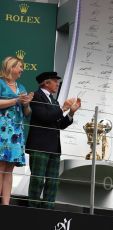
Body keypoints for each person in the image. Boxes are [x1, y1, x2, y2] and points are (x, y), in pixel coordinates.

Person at [26, 71, 81, 209]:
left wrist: (71, 112)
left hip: (54, 147)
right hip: (39, 146)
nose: (57, 83)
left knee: (53, 182)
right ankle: (33, 209)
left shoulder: (54, 101)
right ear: (46, 82)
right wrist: (63, 108)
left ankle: (48, 210)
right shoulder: (35, 96)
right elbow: (44, 116)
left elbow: (60, 124)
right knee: (37, 180)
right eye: (55, 81)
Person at [0, 56, 33, 205]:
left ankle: (6, 204)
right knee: (0, 166)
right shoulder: (0, 83)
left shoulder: (22, 87)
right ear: (11, 67)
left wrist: (26, 104)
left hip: (16, 132)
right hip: (2, 130)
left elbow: (27, 113)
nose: (22, 70)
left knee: (9, 169)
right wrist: (16, 100)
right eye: (19, 67)